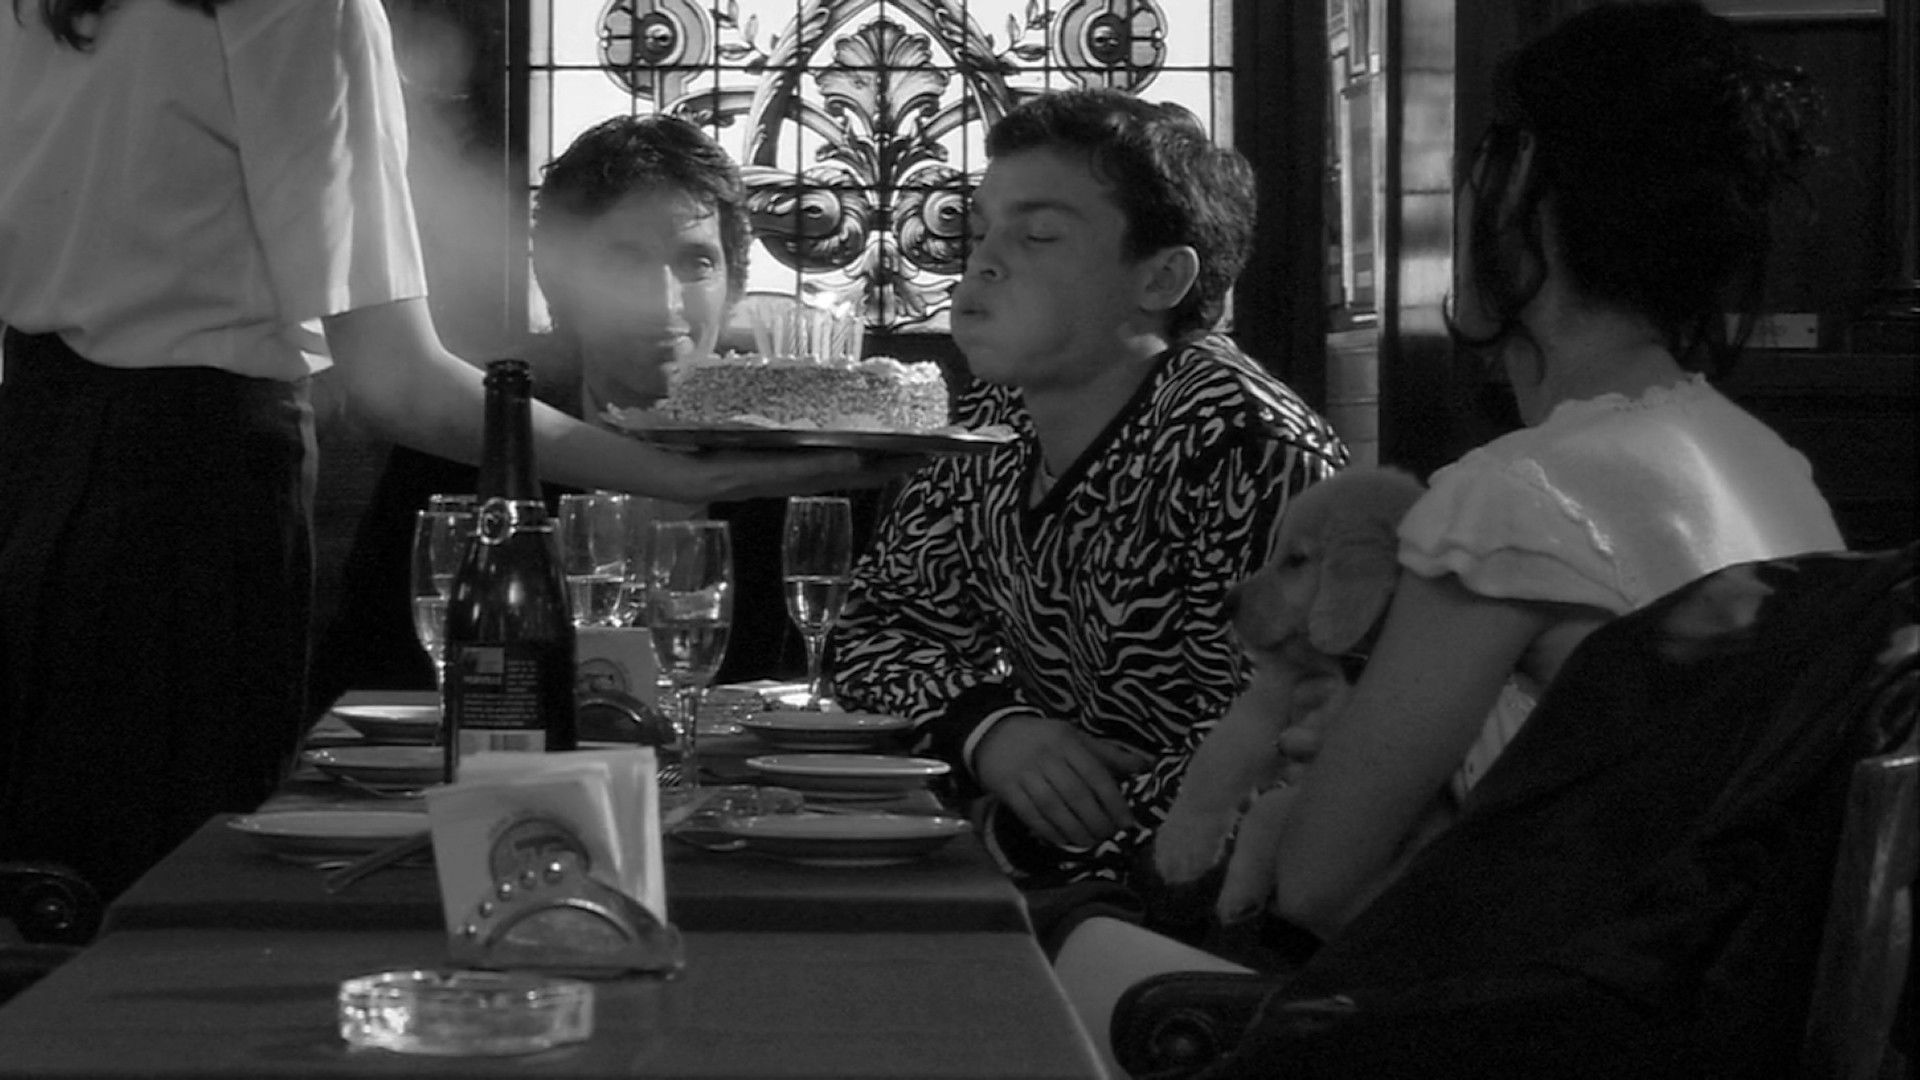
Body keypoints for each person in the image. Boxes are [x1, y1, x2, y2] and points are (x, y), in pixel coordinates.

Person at [0, 0, 902, 900]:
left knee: (66, 879)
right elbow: (398, 383)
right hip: (187, 486)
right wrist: (689, 473)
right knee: (180, 886)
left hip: (36, 458)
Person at [1251, 0, 1846, 940]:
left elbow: (1317, 887)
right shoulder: (1771, 464)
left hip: (1550, 1002)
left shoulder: (1514, 500)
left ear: (1520, 179)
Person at [829, 87, 1349, 895]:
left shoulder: (1244, 447)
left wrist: (1008, 837)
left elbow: (1274, 746)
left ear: (1162, 277)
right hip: (1056, 871)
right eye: (979, 231)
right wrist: (990, 731)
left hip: (1217, 908)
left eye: (1037, 235)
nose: (983, 262)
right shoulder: (994, 419)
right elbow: (872, 633)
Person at [309, 113, 850, 706]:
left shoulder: (805, 461)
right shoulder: (473, 443)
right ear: (560, 280)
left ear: (733, 284)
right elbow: (375, 665)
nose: (662, 301)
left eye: (696, 263)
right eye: (625, 261)